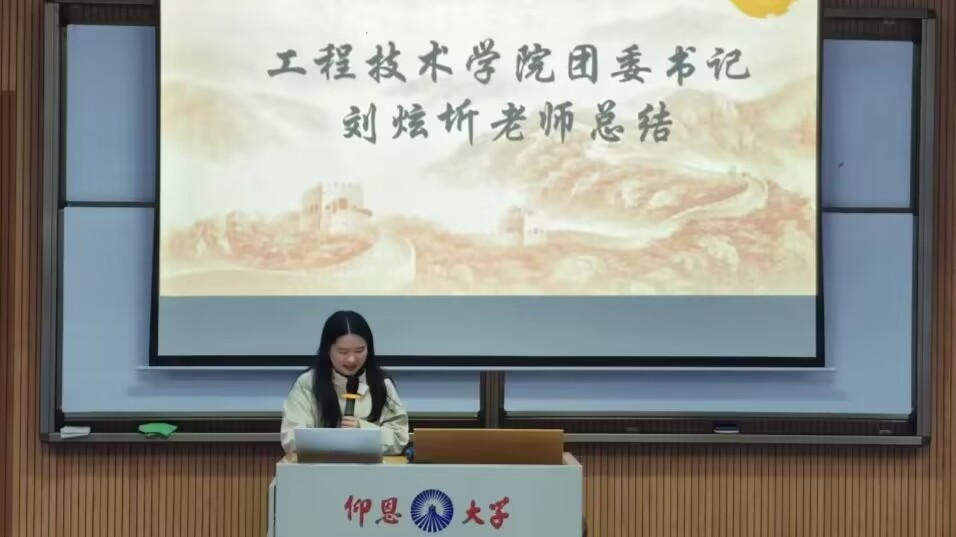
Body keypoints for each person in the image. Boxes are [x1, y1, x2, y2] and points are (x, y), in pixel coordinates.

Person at [280, 310, 410, 455]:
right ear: (327, 350)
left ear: (369, 349)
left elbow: (399, 436)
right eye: (343, 352)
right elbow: (292, 438)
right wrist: (339, 440)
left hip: (371, 467)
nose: (351, 359)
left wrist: (363, 430)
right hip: (321, 467)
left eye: (359, 351)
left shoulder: (381, 383)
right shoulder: (307, 384)